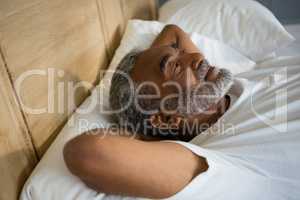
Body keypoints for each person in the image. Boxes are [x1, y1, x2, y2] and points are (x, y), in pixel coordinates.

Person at [63, 25, 300, 199]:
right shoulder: (223, 157)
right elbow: (87, 153)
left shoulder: (226, 84)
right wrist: (148, 132)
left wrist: (167, 65)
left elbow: (172, 32)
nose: (198, 57)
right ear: (166, 119)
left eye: (181, 53)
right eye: (176, 66)